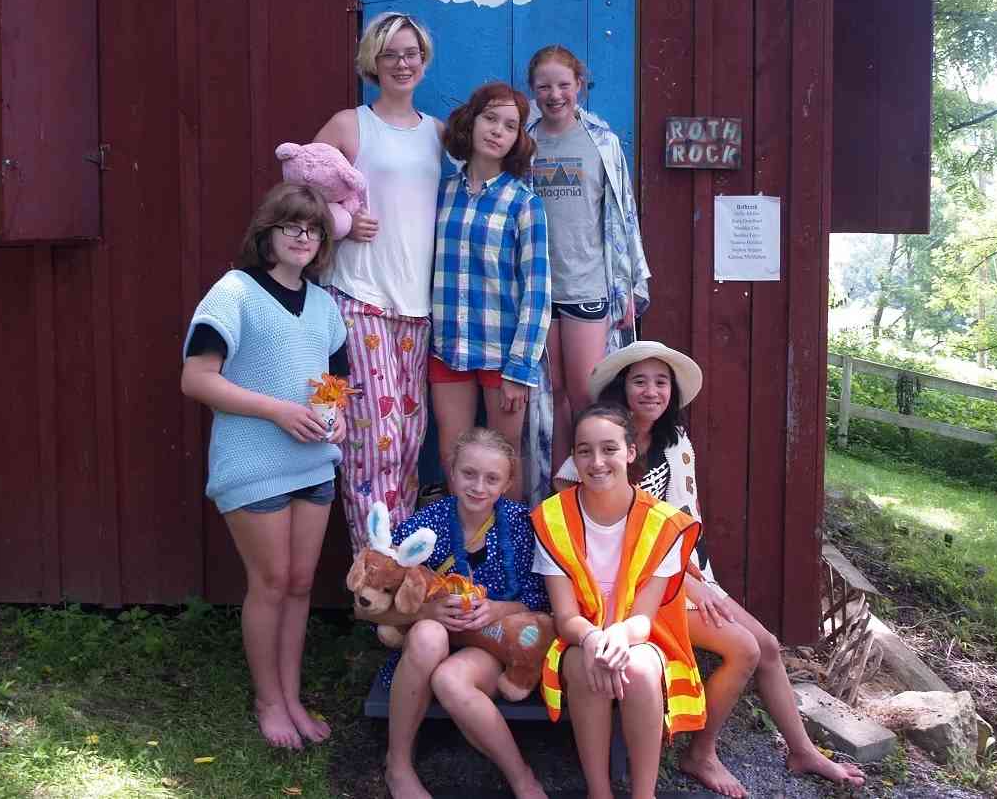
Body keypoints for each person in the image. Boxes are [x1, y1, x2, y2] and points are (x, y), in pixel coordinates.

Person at [555, 341, 866, 795]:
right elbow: (571, 511)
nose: (651, 391)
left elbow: (686, 520)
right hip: (633, 587)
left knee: (767, 645)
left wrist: (693, 580)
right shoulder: (601, 443)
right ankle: (700, 753)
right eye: (639, 381)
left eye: (662, 382)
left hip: (681, 571)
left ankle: (797, 750)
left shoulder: (676, 442)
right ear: (622, 389)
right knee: (746, 648)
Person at [180, 182, 348, 750]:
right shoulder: (234, 293)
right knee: (271, 582)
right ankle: (267, 700)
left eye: (314, 229)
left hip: (314, 464)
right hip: (253, 463)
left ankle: (292, 696)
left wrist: (337, 417)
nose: (303, 237)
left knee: (301, 584)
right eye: (291, 226)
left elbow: (334, 382)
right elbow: (197, 378)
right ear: (267, 234)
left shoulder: (324, 305)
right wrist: (277, 410)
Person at [313, 12, 443, 550]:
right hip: (360, 297)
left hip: (418, 308)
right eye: (390, 53)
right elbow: (299, 192)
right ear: (373, 61)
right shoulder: (350, 124)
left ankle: (399, 577)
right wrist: (340, 221)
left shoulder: (438, 132)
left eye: (411, 52)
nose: (402, 63)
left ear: (424, 59)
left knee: (409, 442)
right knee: (374, 442)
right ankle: (374, 568)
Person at [532, 403, 705, 799]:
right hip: (580, 635)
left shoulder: (663, 522)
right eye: (584, 450)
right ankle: (599, 791)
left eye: (609, 449)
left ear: (630, 452)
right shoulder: (551, 517)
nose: (596, 462)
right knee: (585, 661)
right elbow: (565, 616)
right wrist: (593, 639)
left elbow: (644, 618)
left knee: (640, 671)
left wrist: (619, 638)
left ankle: (644, 794)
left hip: (642, 637)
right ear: (573, 457)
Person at [373, 429, 550, 799]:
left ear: (508, 482)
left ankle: (522, 778)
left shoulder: (521, 523)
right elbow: (379, 602)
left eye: (492, 478)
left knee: (451, 681)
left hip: (491, 644)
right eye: (469, 474)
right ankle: (399, 766)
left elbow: (541, 601)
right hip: (427, 642)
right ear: (451, 472)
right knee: (427, 634)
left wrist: (497, 608)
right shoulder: (427, 523)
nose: (479, 487)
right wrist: (429, 610)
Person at [525, 45, 650, 482]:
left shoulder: (603, 143)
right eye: (544, 86)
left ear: (579, 84)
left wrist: (630, 286)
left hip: (587, 287)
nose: (554, 94)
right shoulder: (523, 143)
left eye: (563, 84)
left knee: (584, 396)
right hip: (536, 293)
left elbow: (625, 217)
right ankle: (556, 494)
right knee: (547, 400)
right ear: (533, 91)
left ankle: (593, 490)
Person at [431, 82, 551, 501]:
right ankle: (462, 562)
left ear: (519, 139)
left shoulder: (524, 204)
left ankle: (508, 560)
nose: (498, 131)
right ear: (472, 120)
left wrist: (520, 368)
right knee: (453, 456)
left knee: (503, 463)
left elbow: (537, 293)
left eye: (511, 126)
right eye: (490, 118)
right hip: (449, 348)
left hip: (503, 356)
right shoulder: (442, 193)